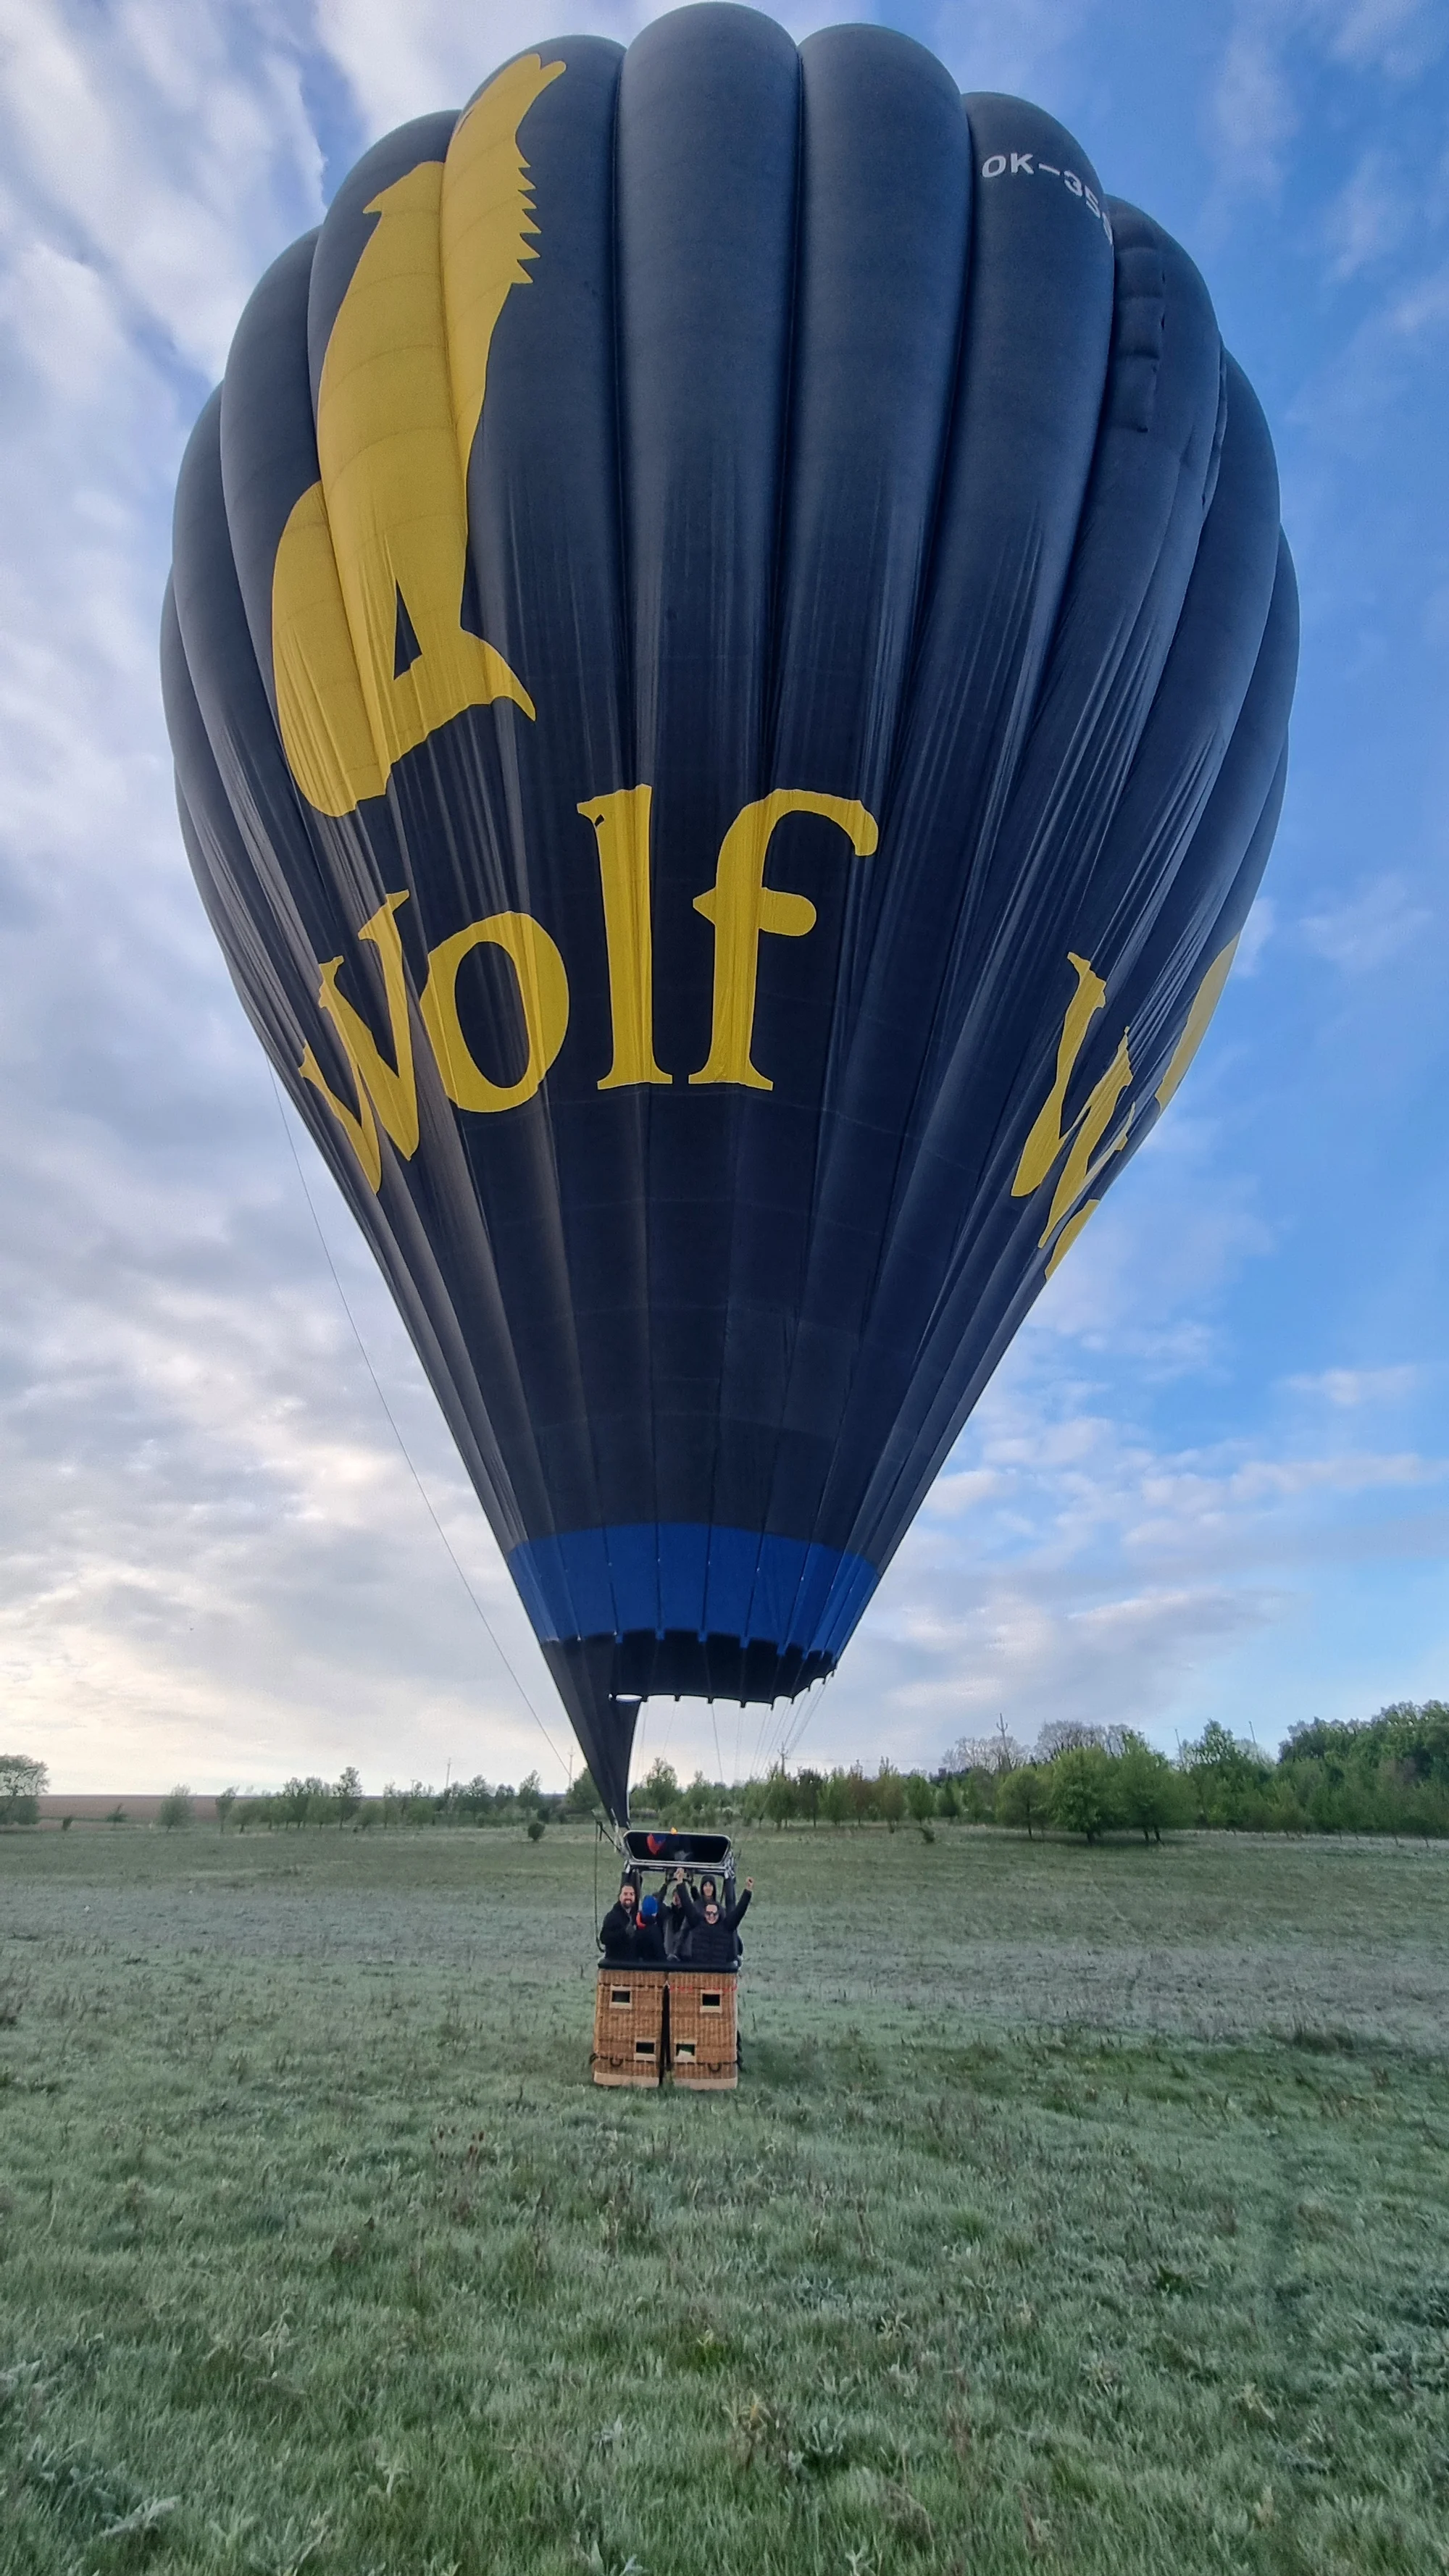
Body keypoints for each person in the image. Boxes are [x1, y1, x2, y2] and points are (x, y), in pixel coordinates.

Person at [681, 1877, 753, 1965]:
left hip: (719, 1971)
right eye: (708, 1914)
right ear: (704, 1914)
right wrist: (680, 1884)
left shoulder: (726, 1926)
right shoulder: (698, 1924)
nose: (711, 1916)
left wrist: (748, 1891)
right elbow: (687, 1904)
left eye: (714, 1914)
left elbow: (739, 1912)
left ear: (719, 1914)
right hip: (700, 1970)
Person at [598, 1875, 643, 1961]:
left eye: (631, 1894)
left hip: (632, 1962)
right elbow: (604, 1938)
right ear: (620, 1896)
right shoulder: (613, 1916)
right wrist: (624, 1933)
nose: (628, 1897)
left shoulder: (634, 1915)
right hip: (617, 1963)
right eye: (625, 1894)